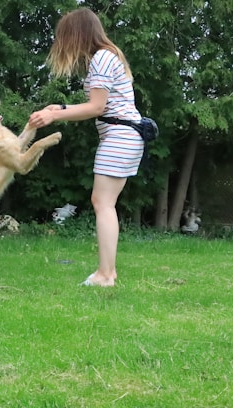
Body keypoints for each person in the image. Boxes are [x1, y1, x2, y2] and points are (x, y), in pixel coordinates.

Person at [28, 8, 144, 287]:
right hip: (123, 135)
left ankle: (106, 275)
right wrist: (62, 107)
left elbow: (96, 107)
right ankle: (108, 272)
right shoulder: (105, 56)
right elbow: (100, 106)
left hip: (120, 136)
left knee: (103, 203)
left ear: (78, 33)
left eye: (66, 36)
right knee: (104, 203)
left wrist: (55, 115)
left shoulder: (102, 58)